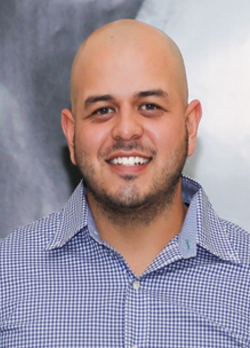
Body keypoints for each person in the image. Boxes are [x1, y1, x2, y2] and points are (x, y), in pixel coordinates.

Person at [1, 19, 249, 348]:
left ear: (190, 127)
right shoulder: (7, 277)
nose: (126, 130)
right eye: (103, 110)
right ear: (71, 135)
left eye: (149, 106)